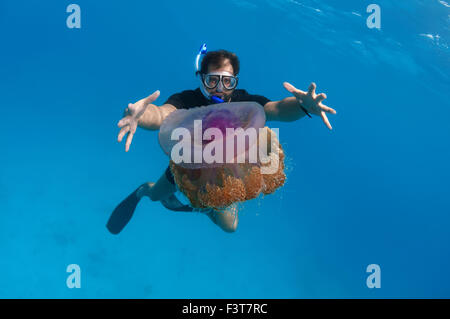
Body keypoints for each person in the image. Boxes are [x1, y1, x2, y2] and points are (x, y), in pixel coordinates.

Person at [106, 48, 336, 235]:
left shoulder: (244, 101)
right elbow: (163, 114)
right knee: (156, 195)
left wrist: (303, 106)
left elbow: (276, 109)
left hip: (227, 170)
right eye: (212, 81)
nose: (219, 89)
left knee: (229, 227)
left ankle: (204, 206)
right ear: (201, 78)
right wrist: (142, 115)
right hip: (185, 165)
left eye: (227, 82)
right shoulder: (187, 99)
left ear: (235, 82)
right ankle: (144, 190)